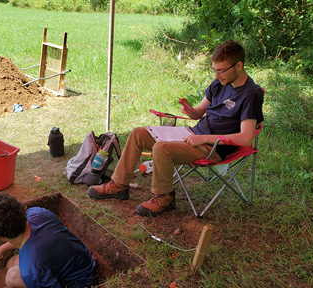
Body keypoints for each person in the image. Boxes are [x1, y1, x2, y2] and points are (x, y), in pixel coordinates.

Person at [87, 40, 264, 217]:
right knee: (138, 134)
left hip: (213, 147)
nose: (217, 76)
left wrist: (203, 139)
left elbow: (245, 138)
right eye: (214, 70)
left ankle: (165, 196)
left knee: (161, 148)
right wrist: (190, 111)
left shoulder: (250, 95)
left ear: (238, 65)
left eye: (221, 70)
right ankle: (118, 185)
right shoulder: (219, 84)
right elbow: (198, 113)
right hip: (192, 136)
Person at [0, 192, 96, 288]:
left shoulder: (31, 268)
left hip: (80, 284)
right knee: (11, 264)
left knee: (13, 279)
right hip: (81, 263)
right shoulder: (37, 213)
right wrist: (1, 249)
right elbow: (23, 235)